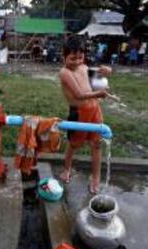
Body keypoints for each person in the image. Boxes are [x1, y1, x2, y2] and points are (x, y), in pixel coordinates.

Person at [59, 36, 113, 193]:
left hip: (94, 109)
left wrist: (106, 72)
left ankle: (95, 177)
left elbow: (98, 80)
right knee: (73, 144)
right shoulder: (65, 72)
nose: (77, 61)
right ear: (64, 57)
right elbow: (79, 94)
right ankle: (66, 169)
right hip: (79, 113)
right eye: (72, 58)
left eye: (80, 57)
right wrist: (99, 94)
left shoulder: (84, 67)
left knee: (96, 144)